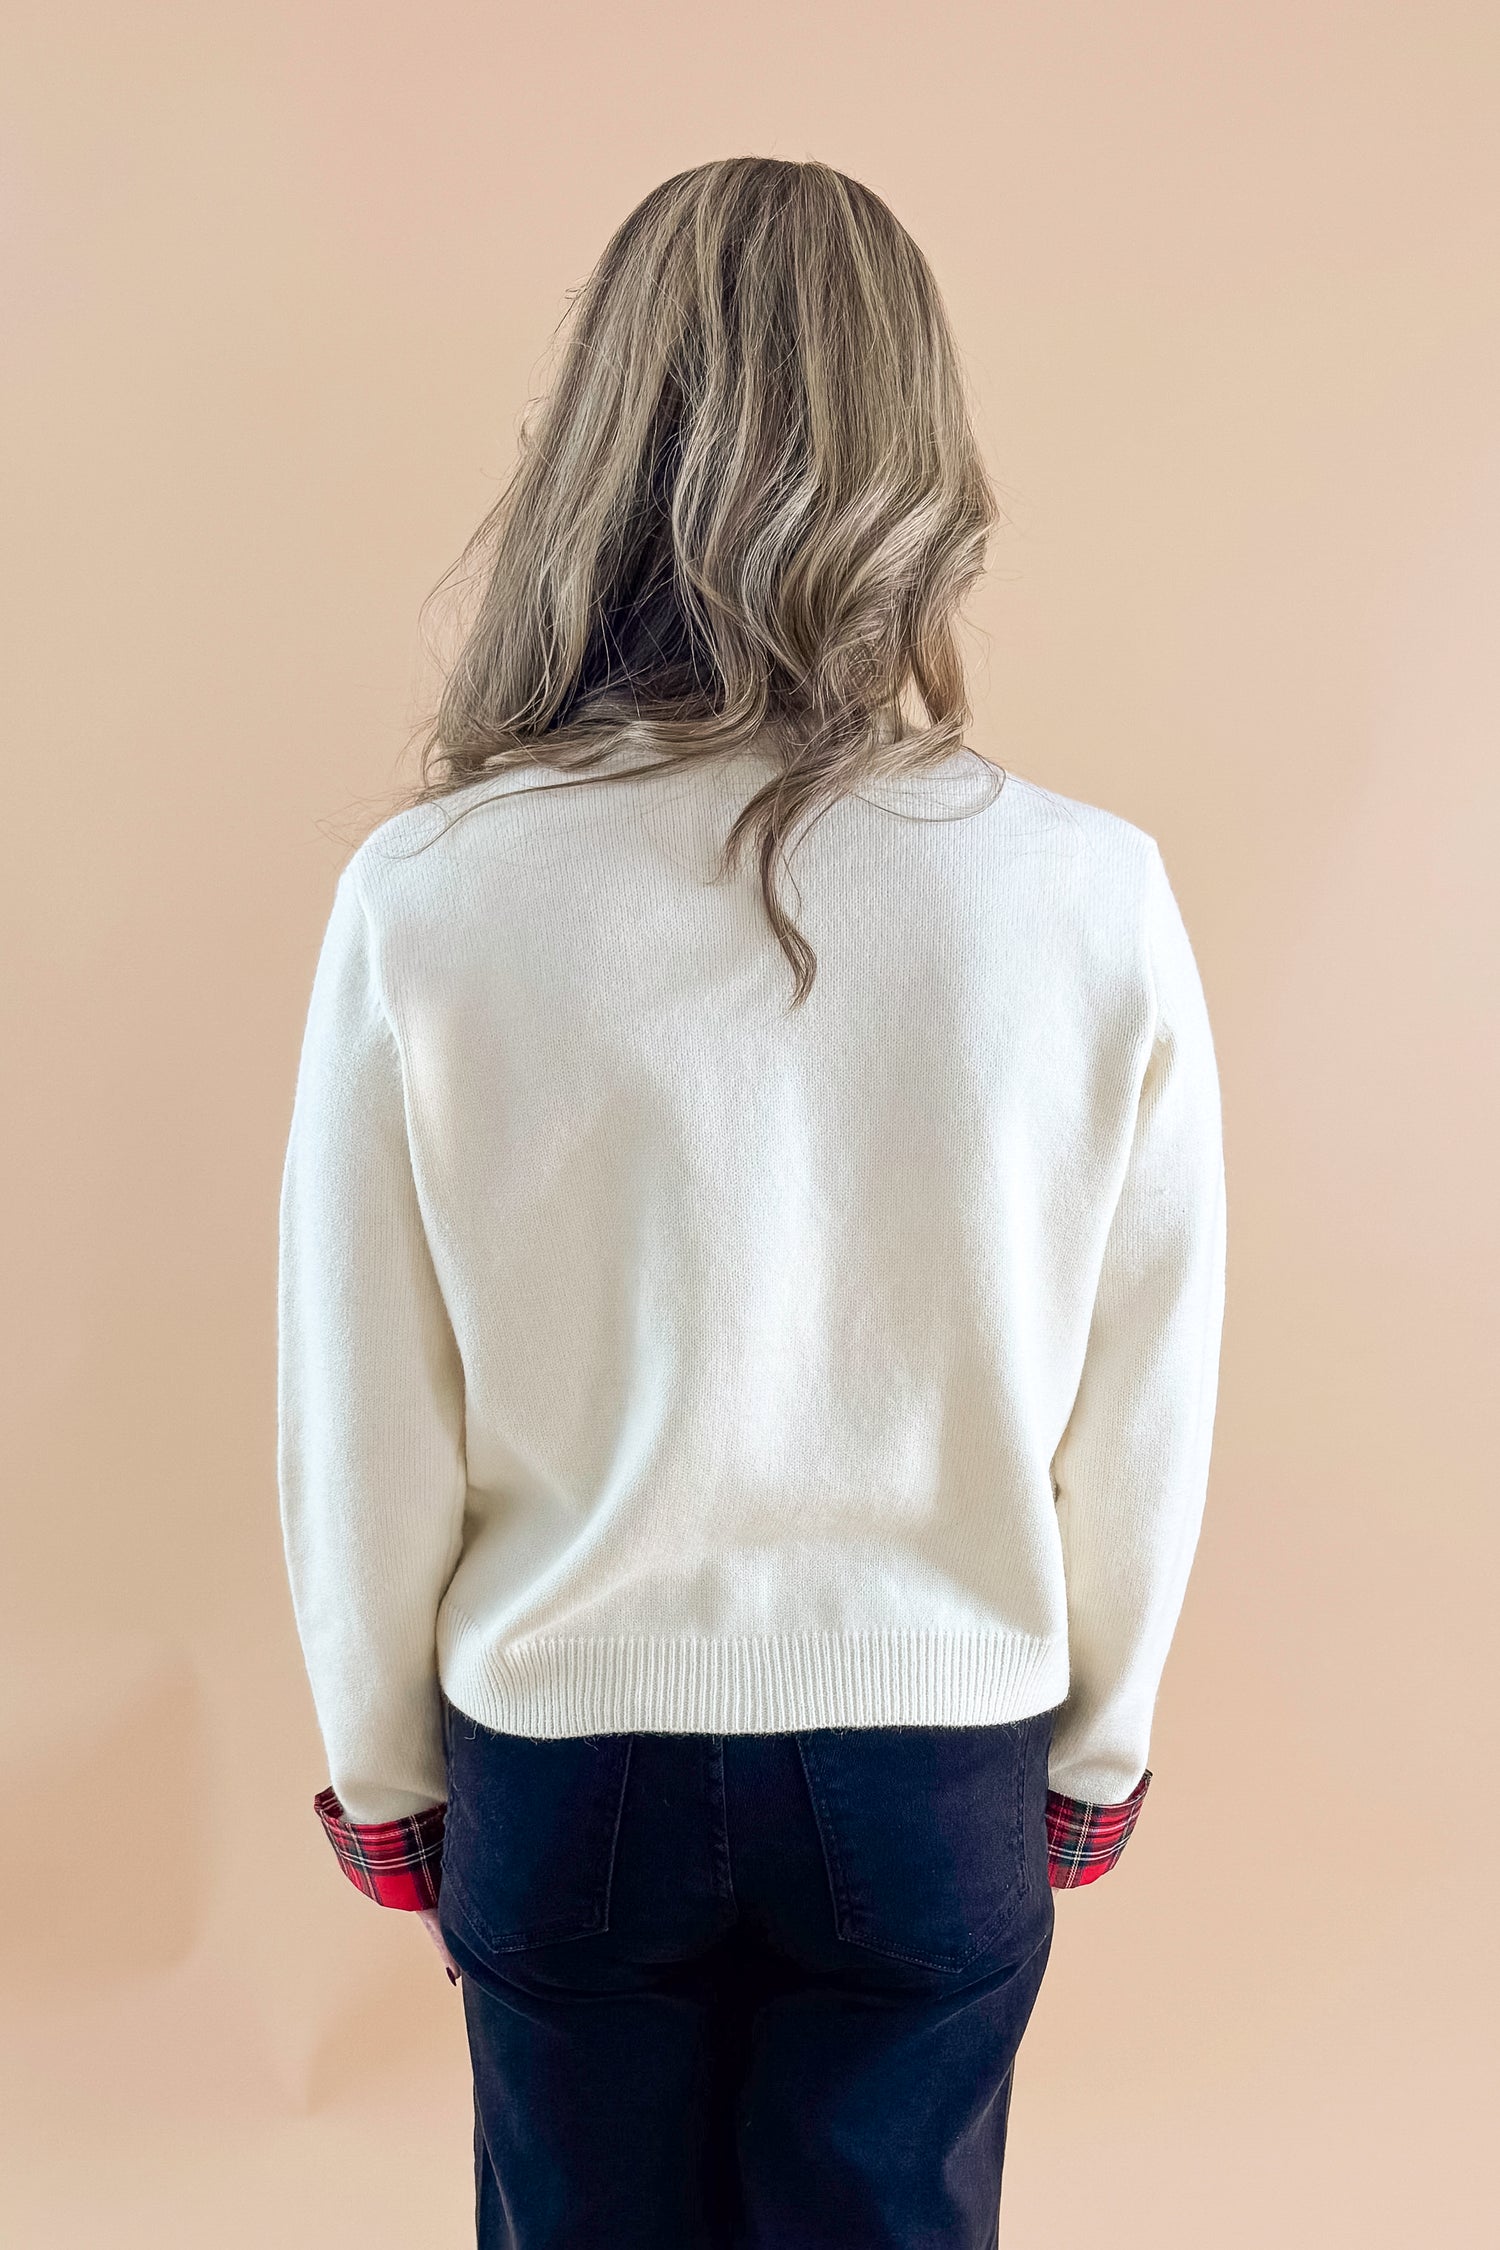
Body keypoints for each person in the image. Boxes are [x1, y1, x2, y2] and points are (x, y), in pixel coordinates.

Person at [277, 155, 1227, 2249]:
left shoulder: (432, 895)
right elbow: (1146, 1372)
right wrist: (1105, 1737)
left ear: (599, 447)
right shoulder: (1087, 891)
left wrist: (379, 1758)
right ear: (924, 454)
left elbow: (362, 1386)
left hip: (567, 1755)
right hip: (938, 1747)